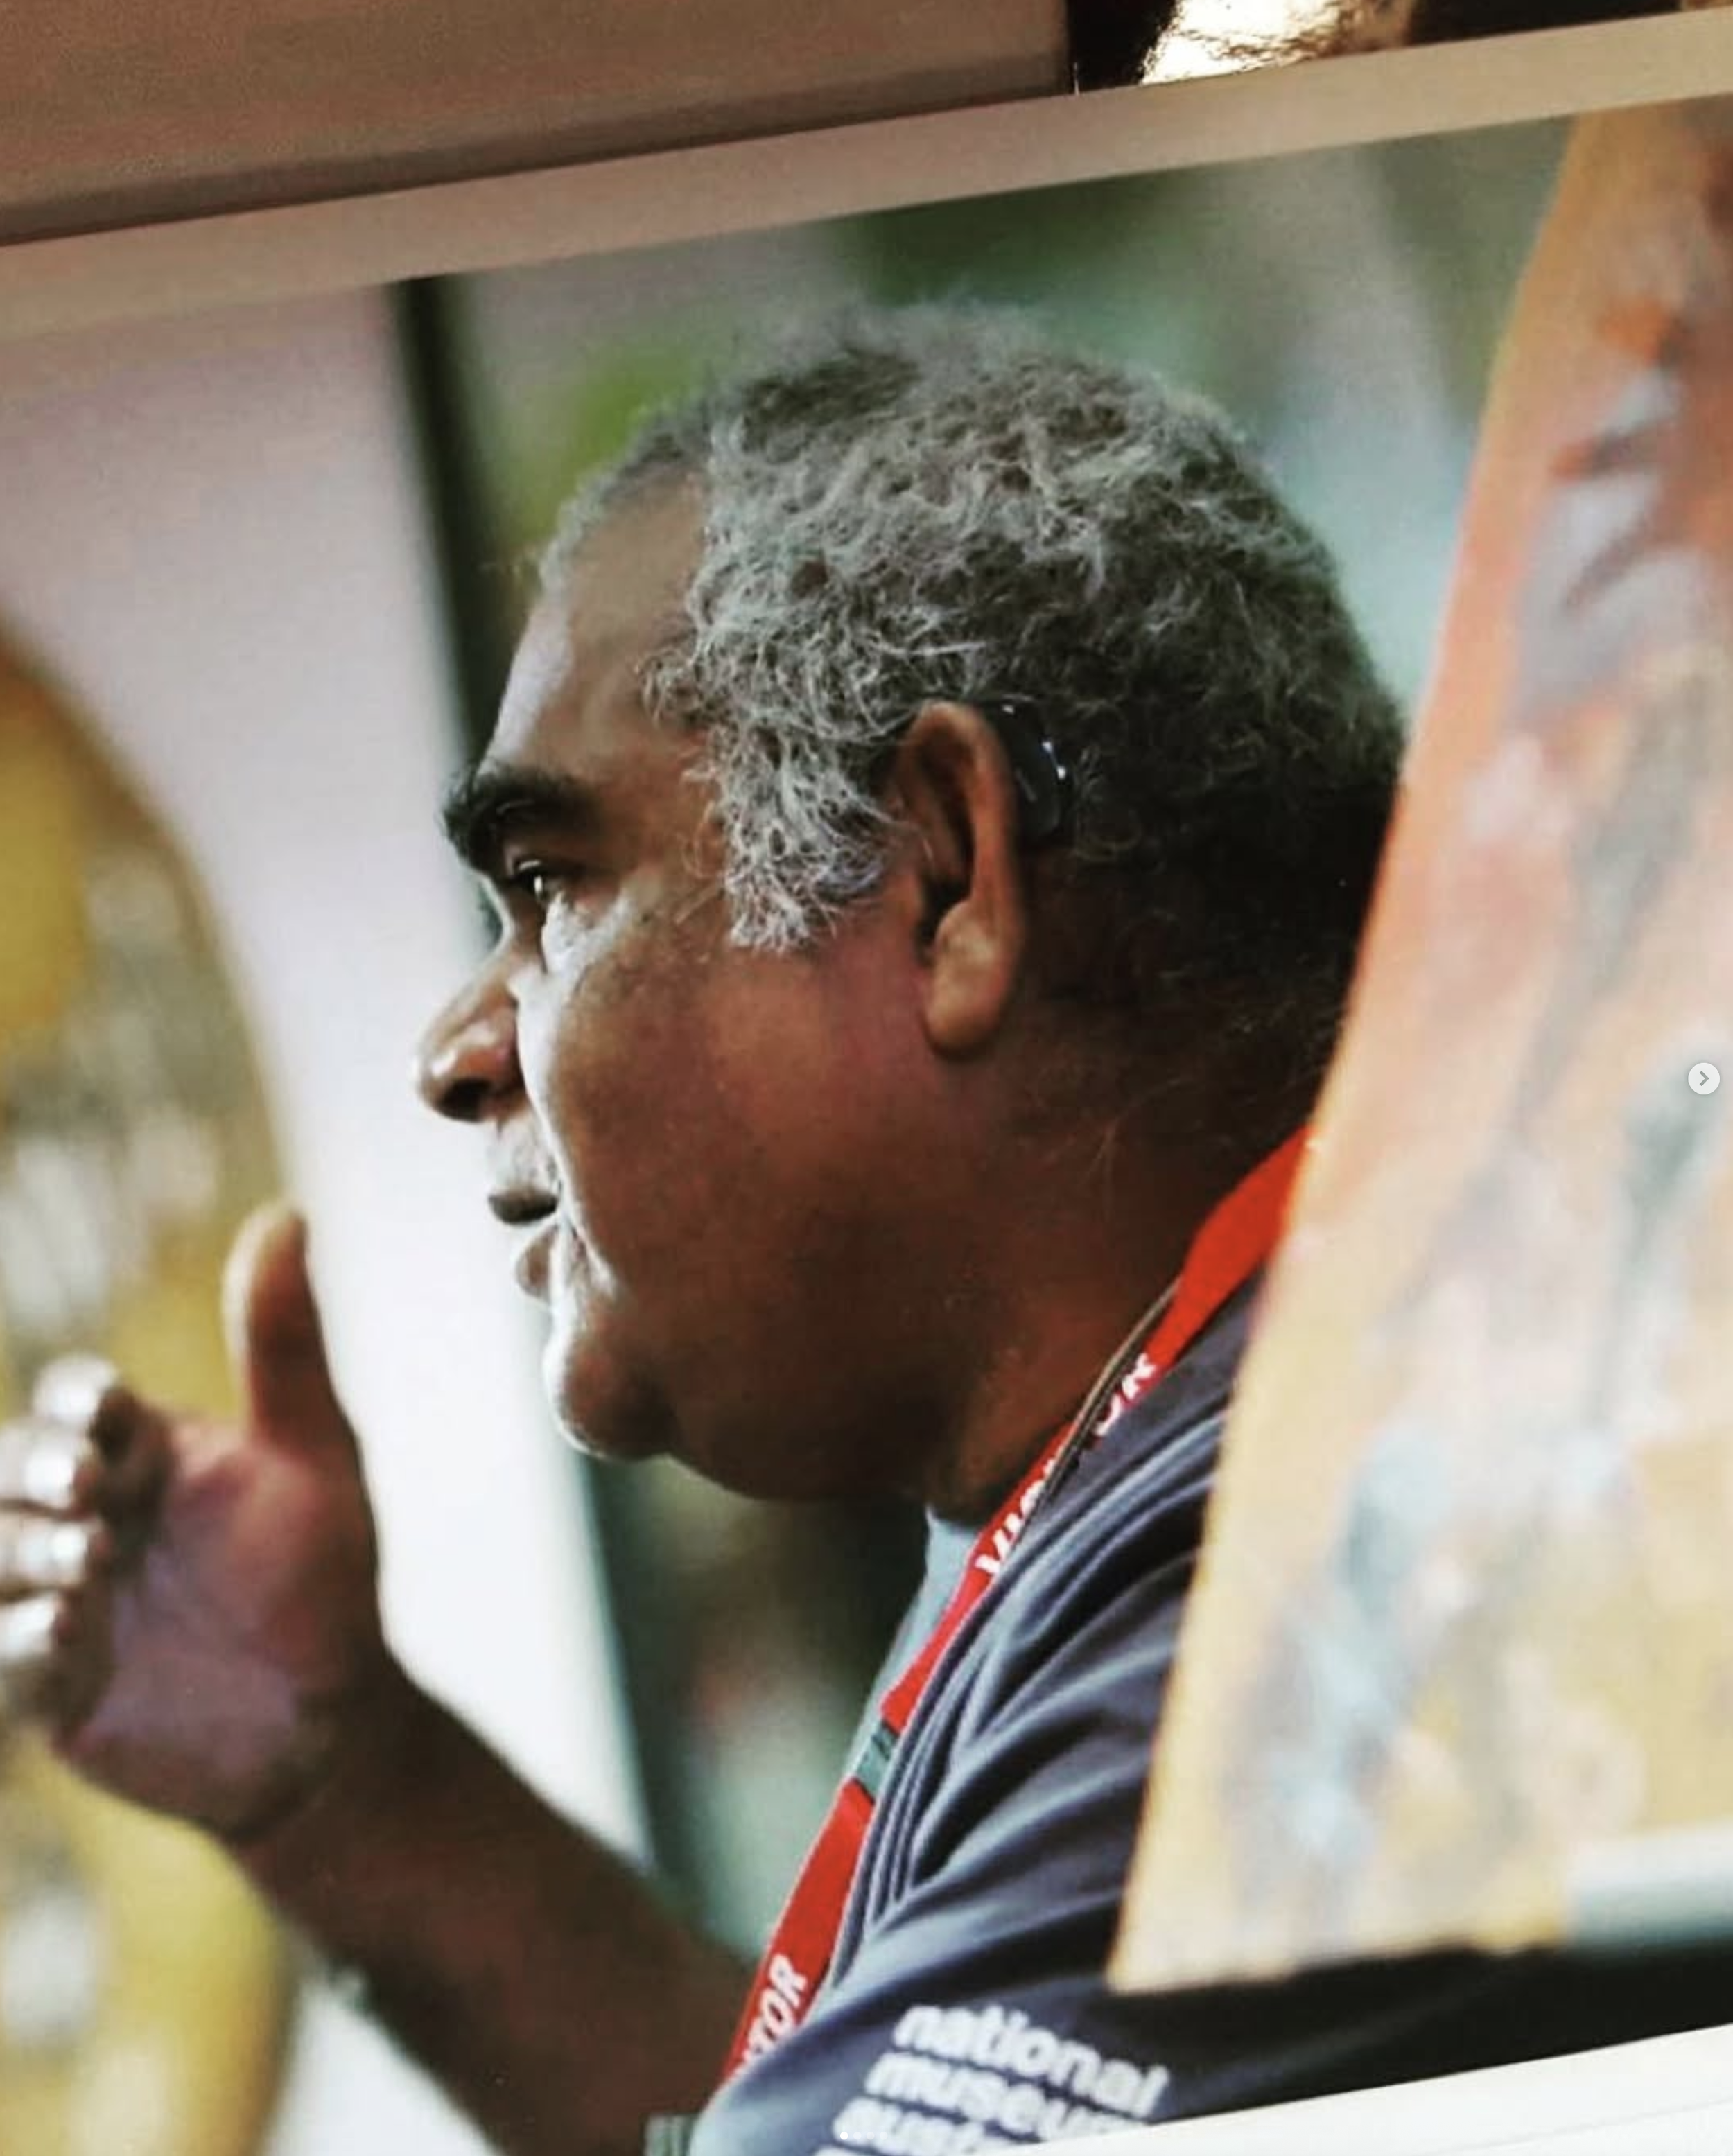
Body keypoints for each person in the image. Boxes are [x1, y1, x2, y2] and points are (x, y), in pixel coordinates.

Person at [0, 313, 1712, 2156]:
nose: (458, 1046)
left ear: (946, 875)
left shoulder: (1315, 1582)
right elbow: (819, 2107)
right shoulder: (1240, 1448)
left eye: (550, 884)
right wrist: (347, 1784)